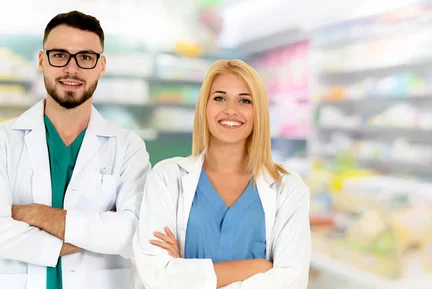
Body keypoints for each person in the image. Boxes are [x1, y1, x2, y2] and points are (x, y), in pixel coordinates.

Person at [0, 11, 151, 289]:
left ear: (101, 65)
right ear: (42, 60)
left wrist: (36, 215)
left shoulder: (129, 146)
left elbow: (134, 232)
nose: (72, 69)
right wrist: (97, 233)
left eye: (85, 57)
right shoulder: (4, 140)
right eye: (59, 55)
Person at [133, 59, 311, 289]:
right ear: (204, 107)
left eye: (244, 100)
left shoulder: (288, 188)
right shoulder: (167, 177)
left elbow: (291, 281)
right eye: (219, 98)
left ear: (258, 112)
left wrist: (185, 274)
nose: (230, 109)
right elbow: (156, 275)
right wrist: (258, 268)